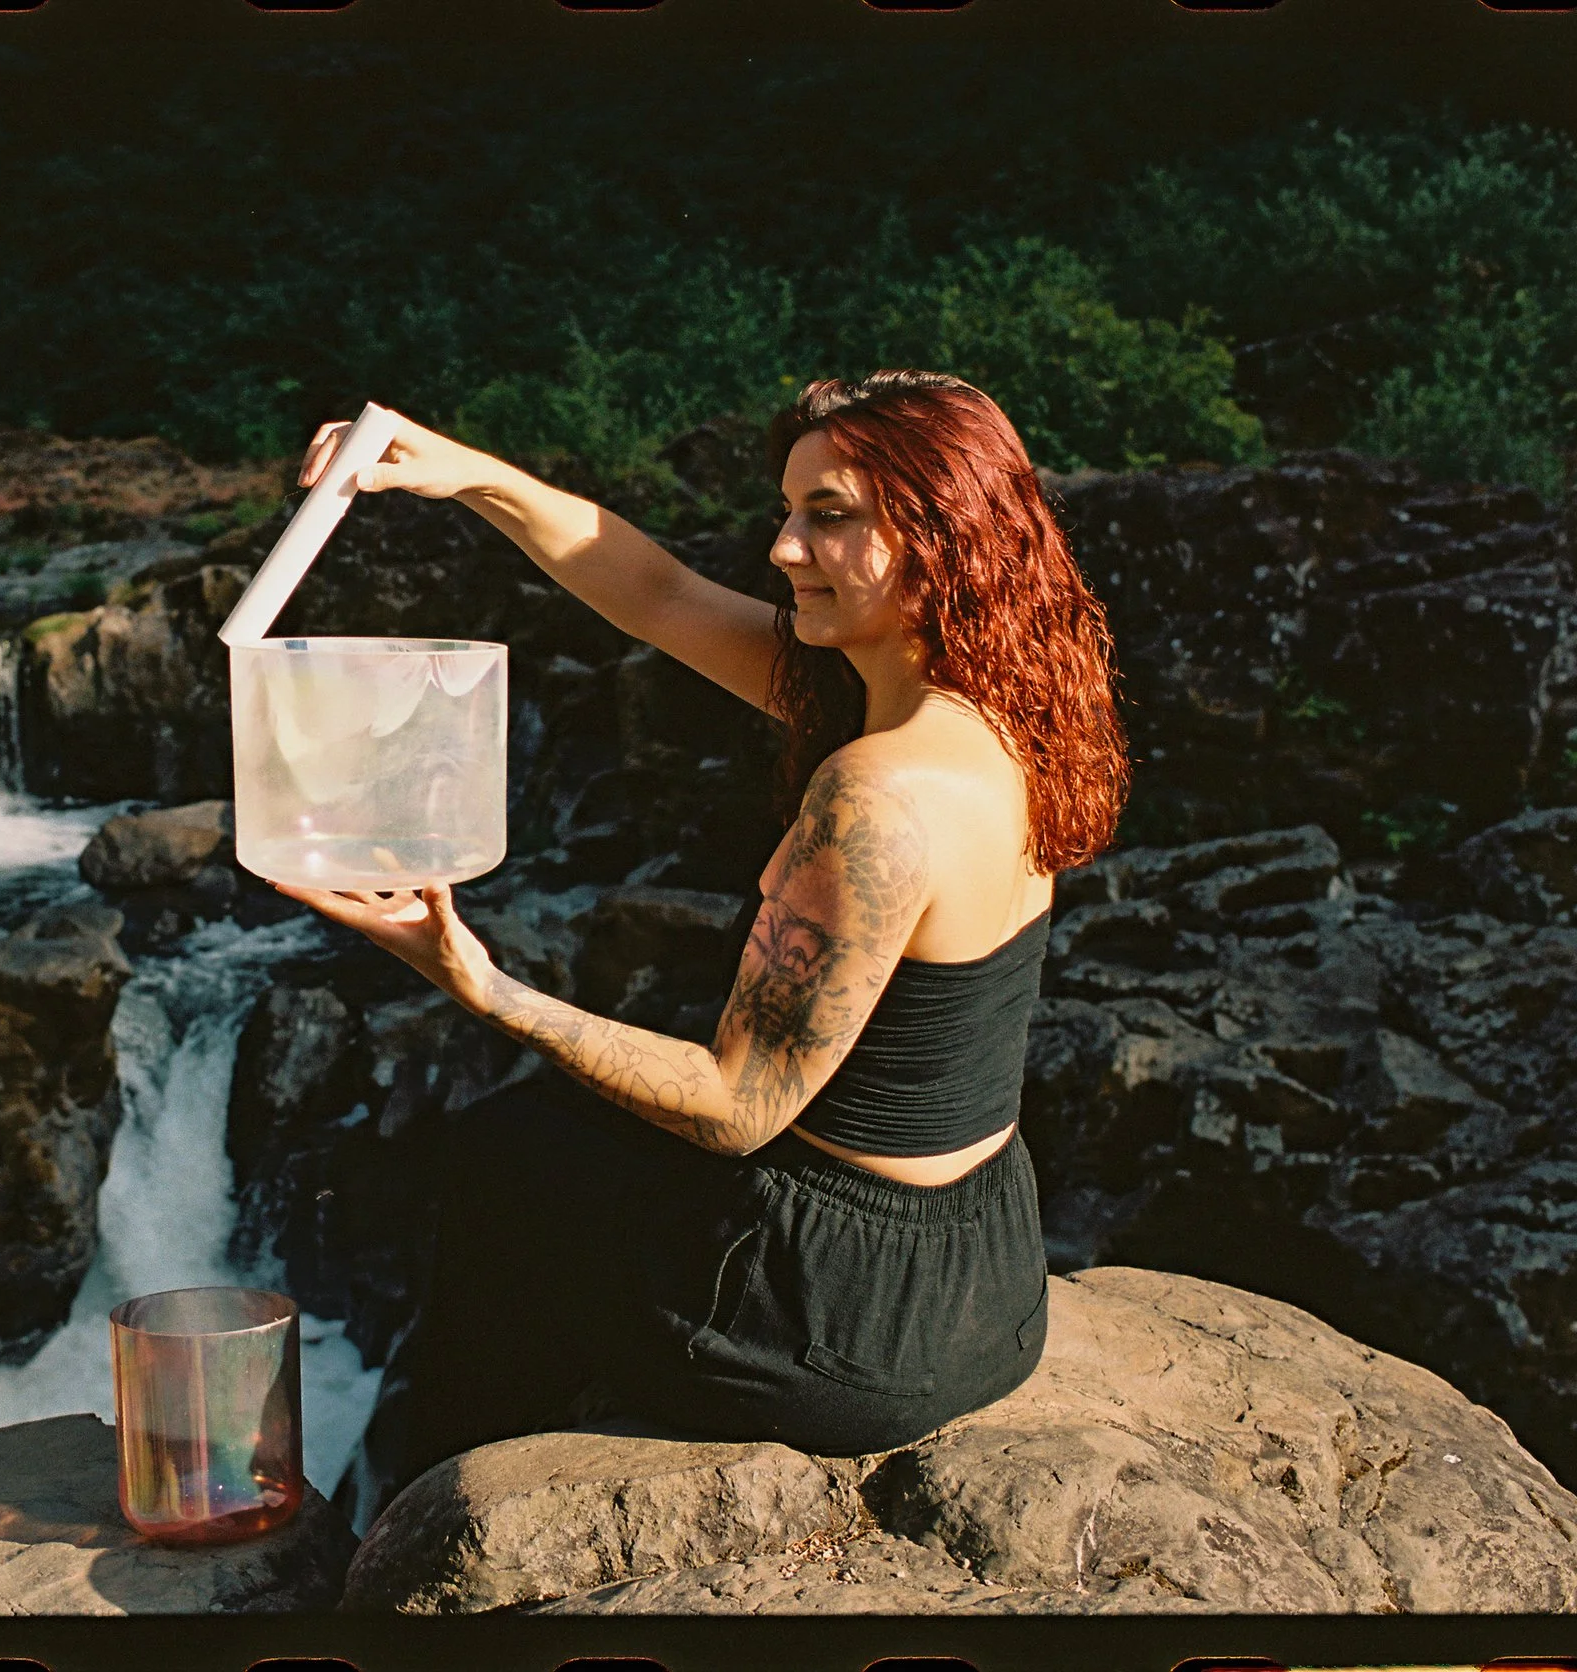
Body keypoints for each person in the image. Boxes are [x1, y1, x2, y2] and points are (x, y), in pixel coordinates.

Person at [274, 369, 1130, 1526]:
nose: (782, 548)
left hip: (852, 1318)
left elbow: (737, 1106)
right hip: (980, 1271)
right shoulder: (999, 712)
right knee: (554, 1136)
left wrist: (476, 983)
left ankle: (420, 1519)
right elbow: (658, 592)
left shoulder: (876, 792)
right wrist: (460, 470)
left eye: (829, 515)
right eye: (787, 511)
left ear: (944, 532)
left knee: (501, 1158)